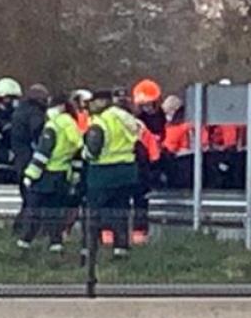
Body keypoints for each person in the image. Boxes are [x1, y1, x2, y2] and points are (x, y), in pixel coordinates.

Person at [16, 96, 84, 252]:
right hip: (62, 176)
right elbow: (77, 152)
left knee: (34, 210)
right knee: (55, 213)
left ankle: (24, 243)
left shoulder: (53, 126)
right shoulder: (72, 125)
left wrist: (30, 175)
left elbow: (43, 154)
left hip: (45, 177)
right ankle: (56, 244)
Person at [83, 89, 140, 259]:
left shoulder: (100, 122)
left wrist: (85, 154)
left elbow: (93, 148)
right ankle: (121, 250)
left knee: (94, 215)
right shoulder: (125, 118)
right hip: (127, 172)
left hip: (102, 174)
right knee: (120, 213)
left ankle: (89, 250)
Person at [10, 83, 50, 232]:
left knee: (28, 200)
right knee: (33, 201)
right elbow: (38, 133)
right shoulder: (34, 113)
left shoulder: (20, 111)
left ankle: (23, 230)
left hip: (20, 161)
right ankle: (24, 230)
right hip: (31, 162)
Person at [130, 78, 165, 244]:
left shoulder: (162, 118)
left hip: (147, 164)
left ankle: (139, 234)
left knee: (140, 199)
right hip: (139, 164)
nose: (147, 108)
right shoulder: (137, 123)